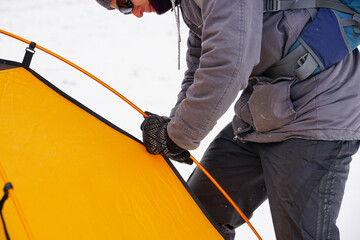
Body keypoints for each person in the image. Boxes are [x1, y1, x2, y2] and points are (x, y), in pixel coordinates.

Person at [95, 0, 360, 239]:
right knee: (197, 216)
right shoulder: (189, 4)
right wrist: (173, 130)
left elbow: (227, 64)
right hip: (263, 111)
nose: (136, 13)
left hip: (318, 110)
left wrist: (178, 135)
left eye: (127, 4)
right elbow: (200, 65)